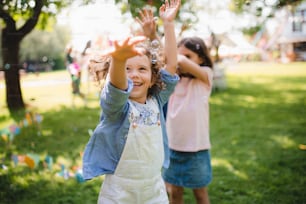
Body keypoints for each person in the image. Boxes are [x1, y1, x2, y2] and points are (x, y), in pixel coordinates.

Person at [82, 0, 181, 203]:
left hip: (153, 190)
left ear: (153, 78)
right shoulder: (117, 107)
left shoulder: (156, 99)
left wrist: (168, 24)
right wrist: (118, 60)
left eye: (142, 69)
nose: (134, 75)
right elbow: (118, 88)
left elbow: (171, 65)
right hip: (119, 193)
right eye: (127, 69)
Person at [162, 36, 214, 204]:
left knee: (200, 194)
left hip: (196, 149)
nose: (181, 60)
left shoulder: (205, 76)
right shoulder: (173, 80)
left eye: (188, 56)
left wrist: (176, 55)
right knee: (174, 193)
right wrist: (152, 36)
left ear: (201, 58)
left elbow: (179, 61)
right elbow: (170, 59)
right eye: (179, 55)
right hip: (173, 148)